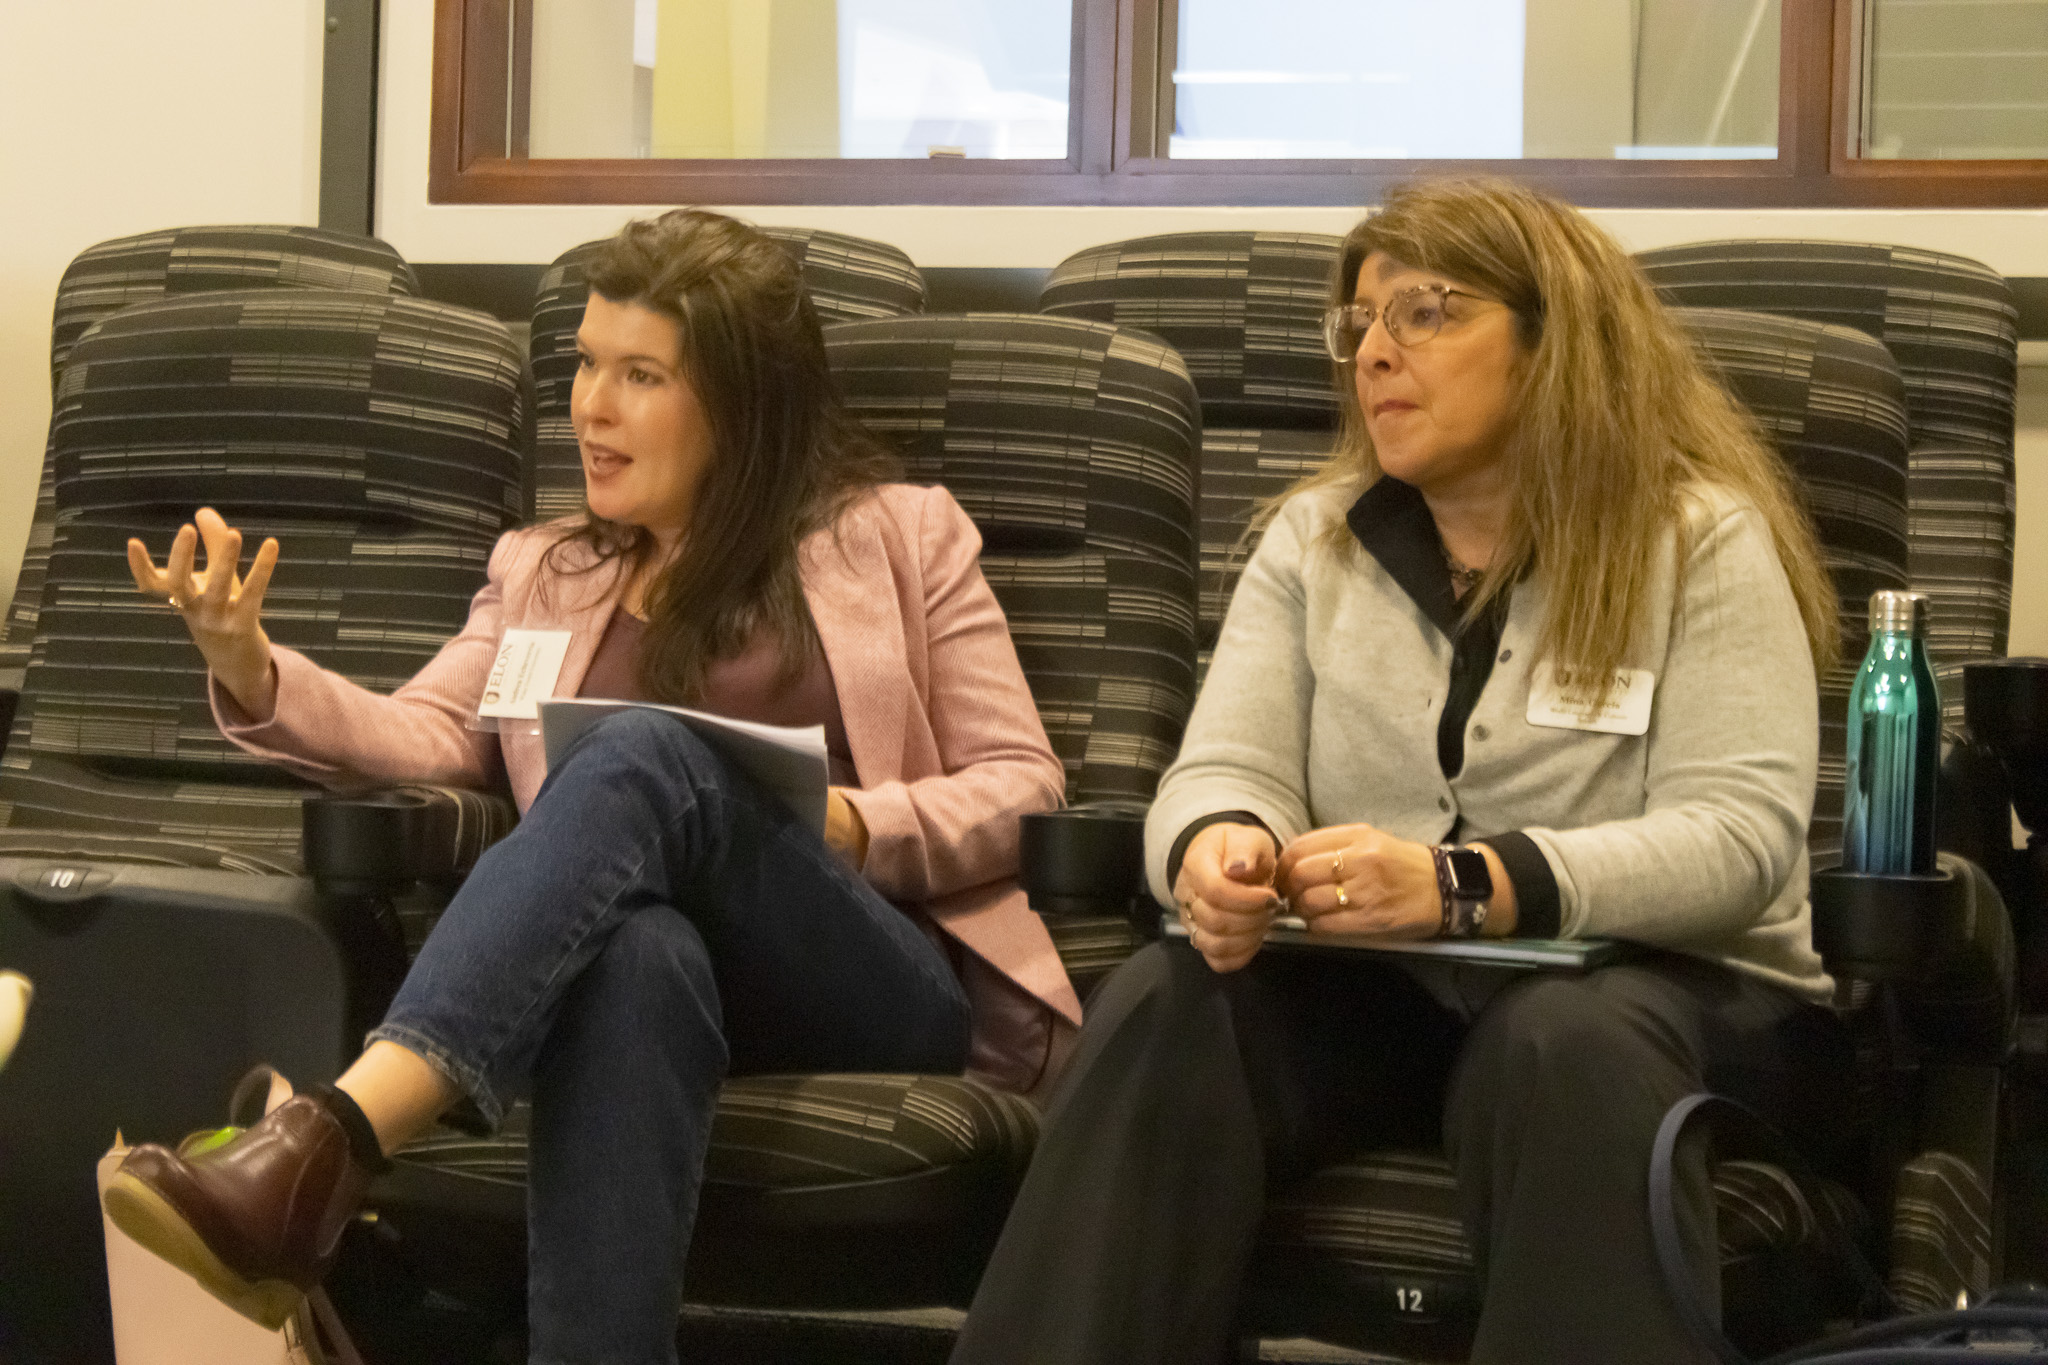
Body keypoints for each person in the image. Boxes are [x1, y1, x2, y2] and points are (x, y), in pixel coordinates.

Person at [100, 208, 1079, 1365]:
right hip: (662, 976)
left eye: (640, 374)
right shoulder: (543, 567)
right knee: (635, 952)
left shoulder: (901, 536)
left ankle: (331, 1143)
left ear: (740, 406)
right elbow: (427, 732)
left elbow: (1024, 787)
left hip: (866, 973)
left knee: (643, 755)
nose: (589, 406)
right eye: (583, 362)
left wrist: (855, 822)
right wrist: (252, 668)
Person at [947, 178, 1856, 1365]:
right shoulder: (1313, 540)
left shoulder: (1696, 541)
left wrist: (1466, 883)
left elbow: (1736, 843)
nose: (1374, 352)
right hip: (1384, 997)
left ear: (1552, 341)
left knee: (1558, 1044)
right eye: (1361, 323)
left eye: (1426, 313)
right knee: (1170, 999)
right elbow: (1224, 766)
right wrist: (1216, 849)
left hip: (1662, 1001)